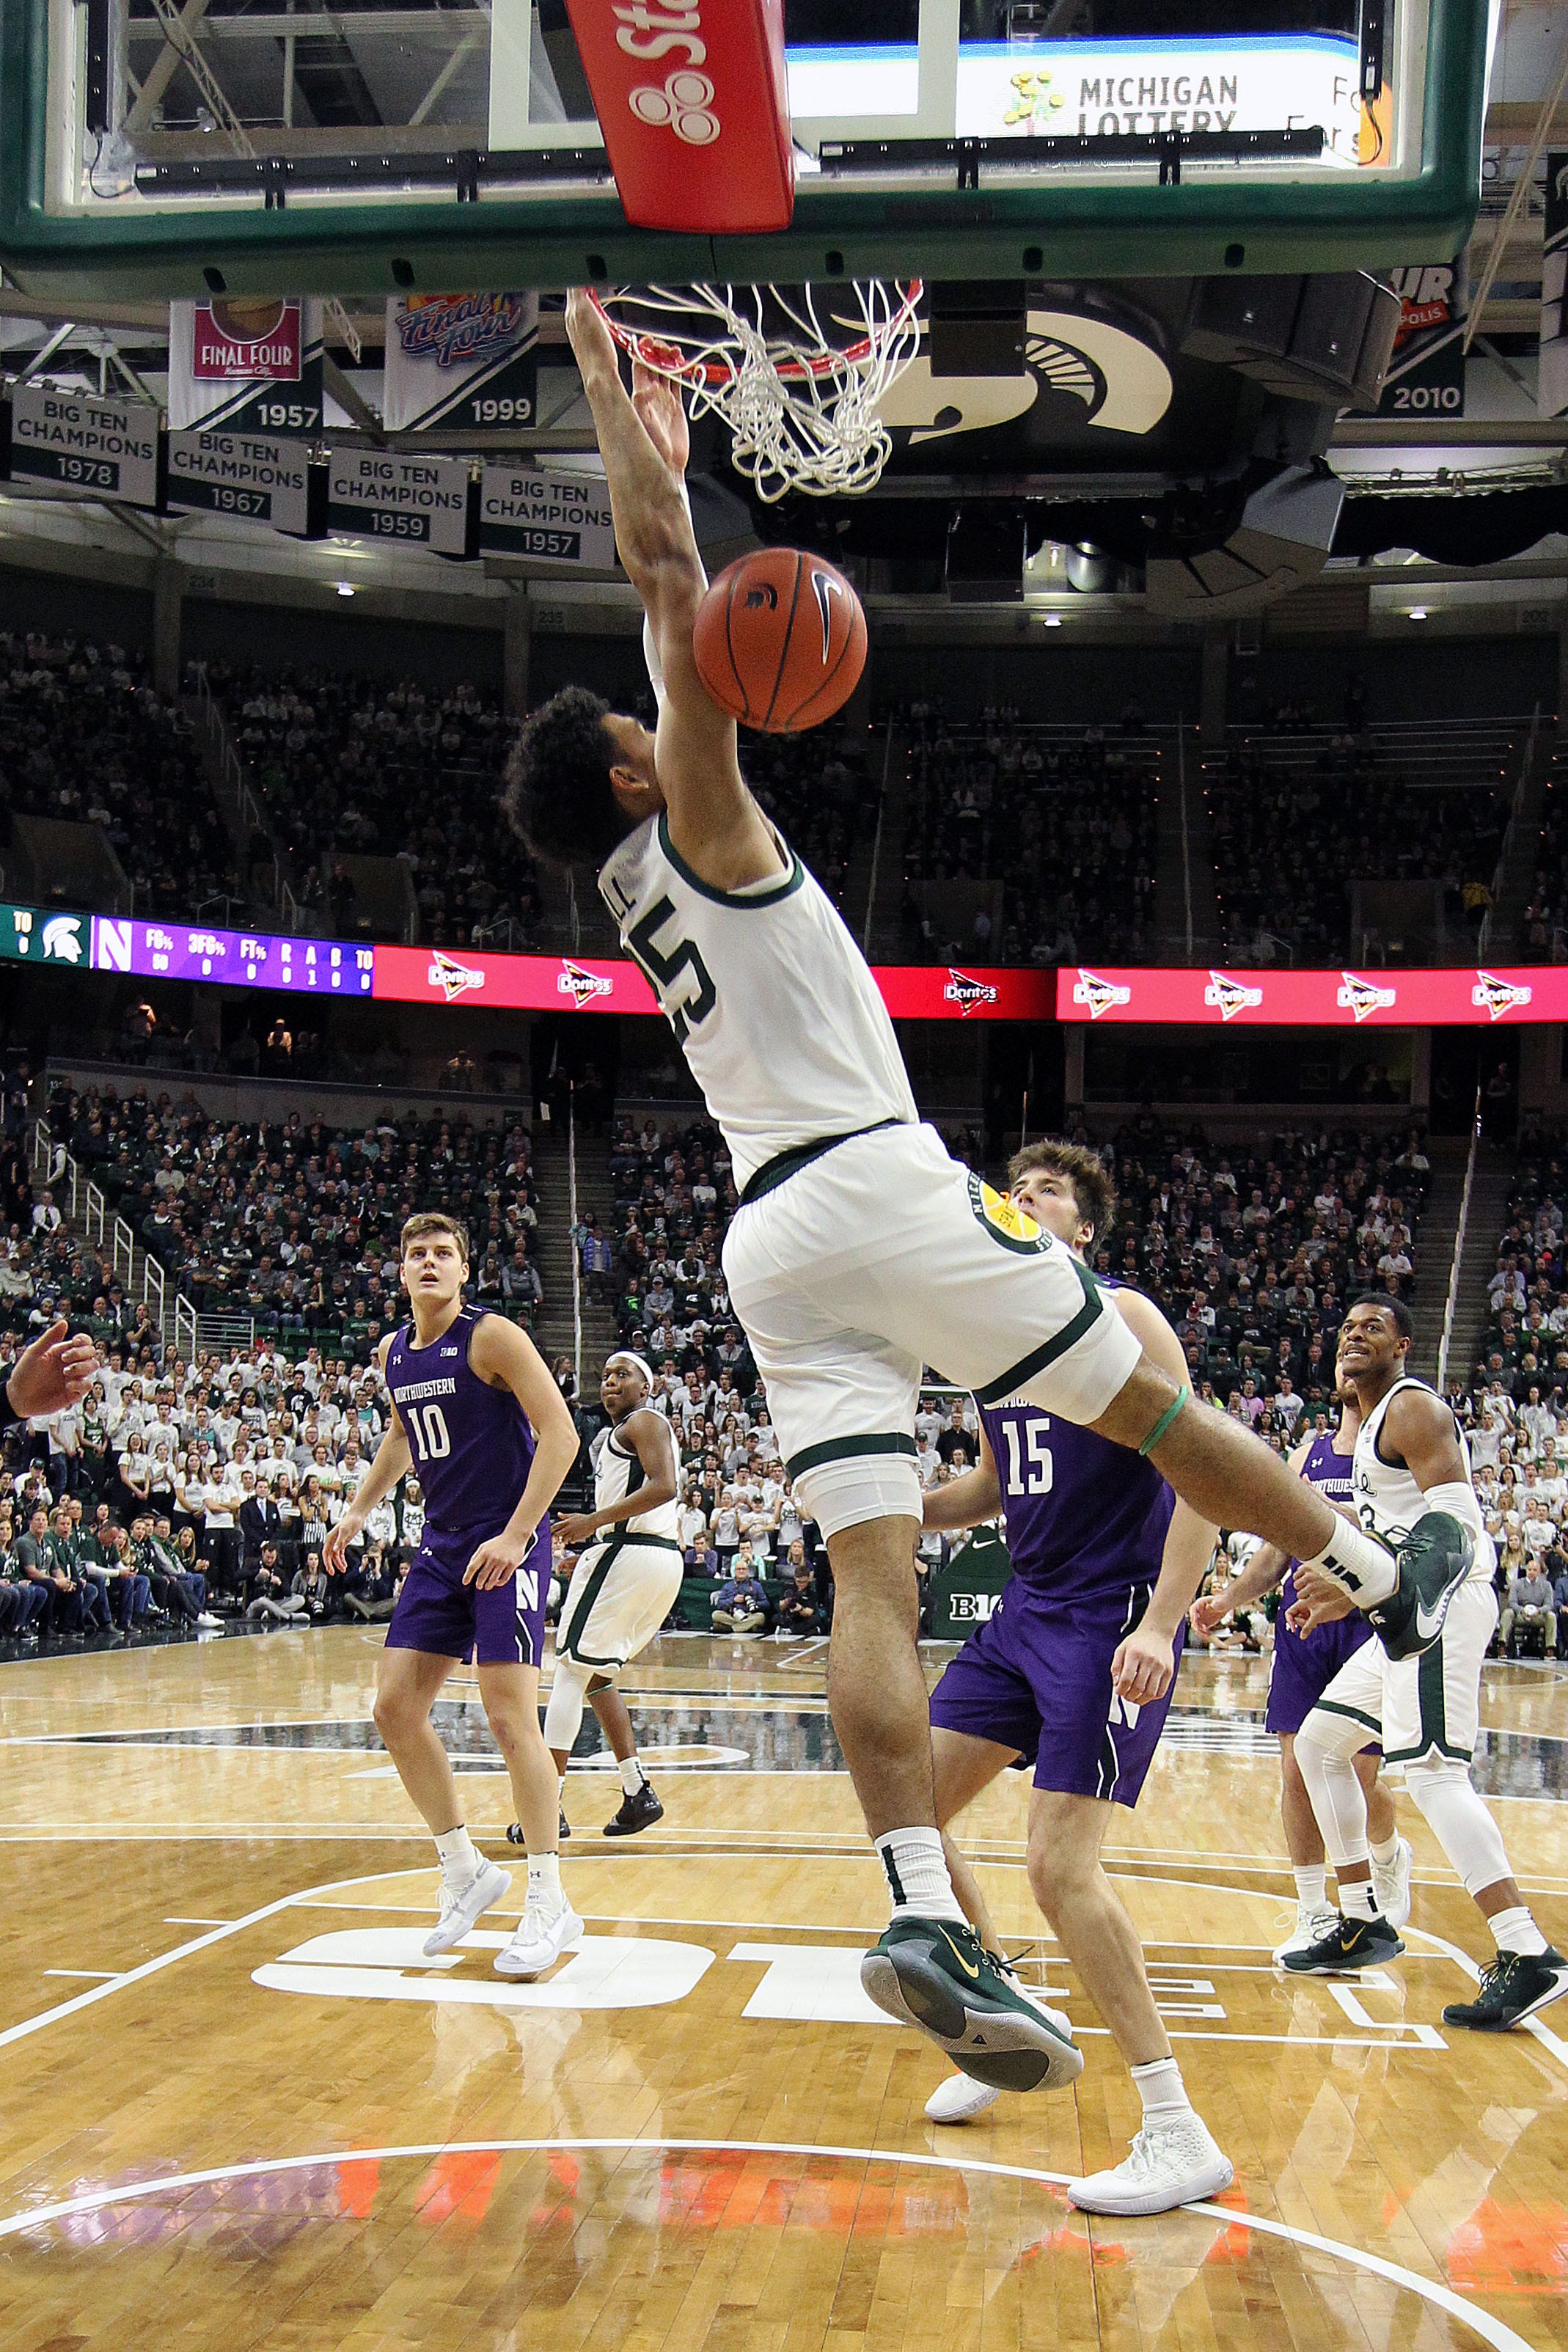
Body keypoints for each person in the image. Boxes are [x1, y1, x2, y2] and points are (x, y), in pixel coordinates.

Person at [502, 288, 1476, 2087]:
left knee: (863, 1574)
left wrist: (649, 408)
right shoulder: (697, 816)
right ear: (631, 766)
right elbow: (659, 565)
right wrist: (606, 381)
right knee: (1154, 1404)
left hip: (767, 1246)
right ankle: (1369, 1561)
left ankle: (910, 1900)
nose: (682, 696)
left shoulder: (628, 900)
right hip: (873, 1186)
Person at [917, 1142, 1231, 2215]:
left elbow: (1205, 1472)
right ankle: (1001, 2023)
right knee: (905, 1817)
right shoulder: (994, 1347)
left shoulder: (1124, 1316)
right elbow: (994, 1489)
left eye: (1046, 1190)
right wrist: (894, 1500)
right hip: (1022, 1611)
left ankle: (1176, 2127)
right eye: (1014, 1188)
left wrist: (1158, 1620)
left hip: (1109, 1620)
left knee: (1058, 1866)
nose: (1023, 1198)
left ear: (1084, 1228)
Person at [1287, 1297, 1567, 2028]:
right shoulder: (1367, 1428)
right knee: (1319, 1746)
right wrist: (1343, 1587)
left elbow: (1452, 1527)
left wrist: (1386, 1594)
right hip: (1401, 1607)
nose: (1354, 1333)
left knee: (1435, 1774)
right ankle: (1361, 1920)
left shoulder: (1411, 1410)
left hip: (1437, 1603)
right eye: (1345, 1325)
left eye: (1371, 1326)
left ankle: (1525, 1949)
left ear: (1402, 1344)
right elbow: (1383, 1525)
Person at [325, 1213, 580, 1980]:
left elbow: (560, 1433)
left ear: (463, 1271)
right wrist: (361, 1506)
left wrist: (516, 1535)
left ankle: (550, 1899)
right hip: (441, 1545)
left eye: (442, 1254)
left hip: (506, 1540)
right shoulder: (393, 1351)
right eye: (415, 1254)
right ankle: (465, 1870)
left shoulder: (491, 1336)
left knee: (509, 1719)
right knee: (393, 1709)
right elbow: (403, 1435)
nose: (428, 1263)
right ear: (400, 1272)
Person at [1192, 1355, 1412, 1959]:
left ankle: (1387, 1851)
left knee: (1356, 1777)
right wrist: (1229, 1597)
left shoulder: (1398, 1455)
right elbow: (1278, 1549)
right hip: (1302, 1626)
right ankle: (1314, 1909)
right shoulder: (1307, 1453)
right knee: (1296, 1771)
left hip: (1367, 1624)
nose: (1349, 1360)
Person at [538, 1351, 682, 1841]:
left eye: (623, 1374)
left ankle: (544, 1805)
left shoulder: (644, 1420)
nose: (610, 1382)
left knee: (568, 1671)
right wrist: (597, 1544)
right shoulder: (618, 1436)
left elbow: (665, 1487)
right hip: (651, 1556)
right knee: (599, 1676)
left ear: (647, 1386)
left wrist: (592, 1525)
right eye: (604, 1377)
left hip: (633, 1551)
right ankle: (636, 1790)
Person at [1500, 1556, 1558, 1656]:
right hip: (1521, 1615)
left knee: (1551, 1616)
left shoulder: (1546, 1585)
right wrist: (1521, 1610)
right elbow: (1512, 1602)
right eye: (1529, 1570)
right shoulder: (1517, 1584)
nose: (1531, 1572)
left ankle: (1550, 1648)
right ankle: (1502, 1645)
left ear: (1539, 1572)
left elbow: (1549, 1604)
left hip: (1538, 1615)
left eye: (1535, 1570)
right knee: (1507, 1613)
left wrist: (1539, 1611)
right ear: (1526, 1570)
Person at [711, 1549, 772, 1635]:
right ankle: (746, 1627)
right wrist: (733, 1600)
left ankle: (732, 1628)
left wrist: (753, 1603)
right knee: (716, 1615)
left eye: (744, 1569)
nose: (741, 1571)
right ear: (735, 1571)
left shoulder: (756, 1585)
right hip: (732, 1615)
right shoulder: (728, 1586)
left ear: (748, 1571)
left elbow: (766, 1603)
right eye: (739, 1569)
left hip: (749, 1615)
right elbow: (720, 1604)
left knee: (761, 1617)